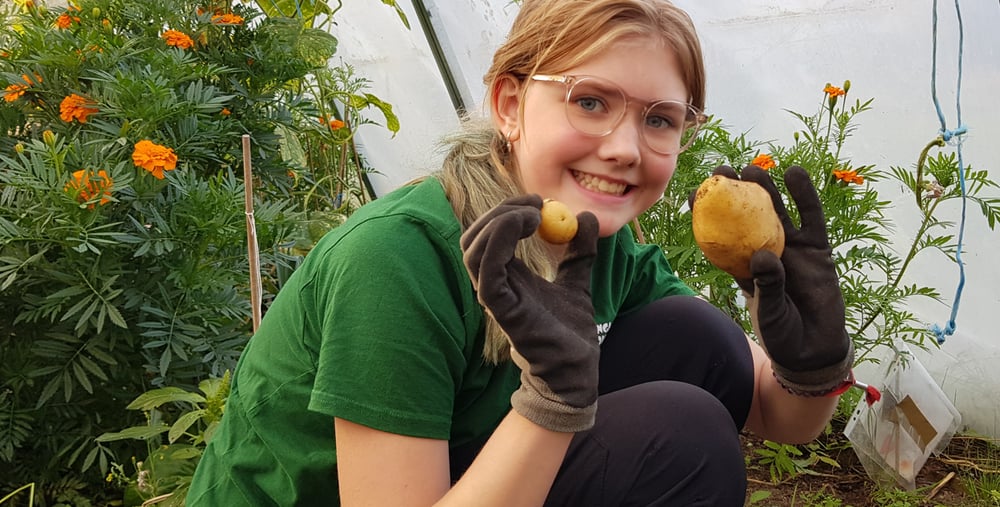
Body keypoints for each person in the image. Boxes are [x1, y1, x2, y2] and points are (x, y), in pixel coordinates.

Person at [187, 0, 855, 505]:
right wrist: (553, 398)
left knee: (695, 337)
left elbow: (778, 415)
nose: (625, 146)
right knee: (683, 441)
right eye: (590, 101)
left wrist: (813, 360)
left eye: (659, 119)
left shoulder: (604, 249)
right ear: (509, 102)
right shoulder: (396, 261)